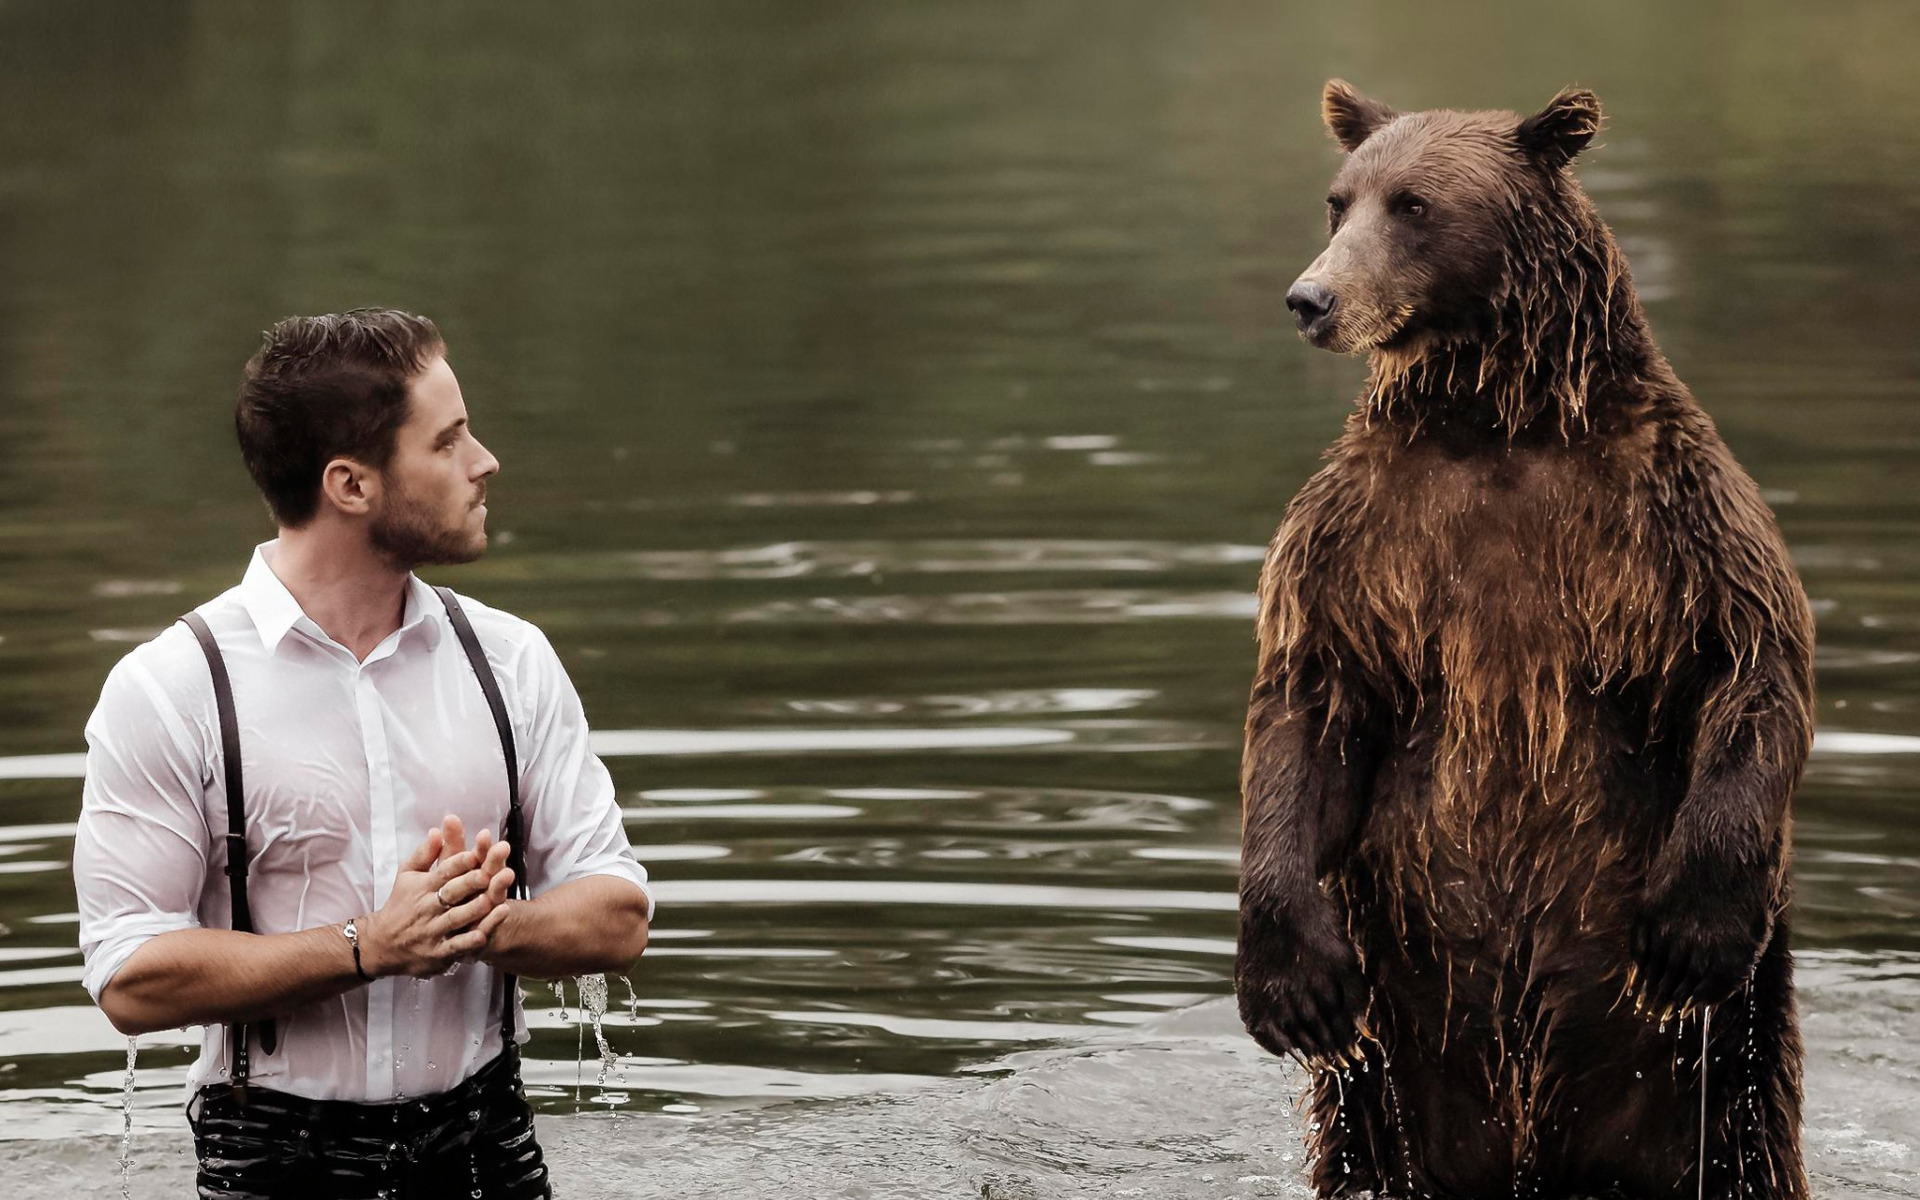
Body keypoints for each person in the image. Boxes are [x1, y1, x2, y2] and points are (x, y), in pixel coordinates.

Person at [73, 309, 652, 1199]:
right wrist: (368, 945)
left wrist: (480, 927)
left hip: (487, 1149)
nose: (483, 460)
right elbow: (130, 978)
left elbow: (618, 915)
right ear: (351, 485)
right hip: (270, 1159)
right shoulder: (172, 690)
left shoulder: (510, 663)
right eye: (448, 441)